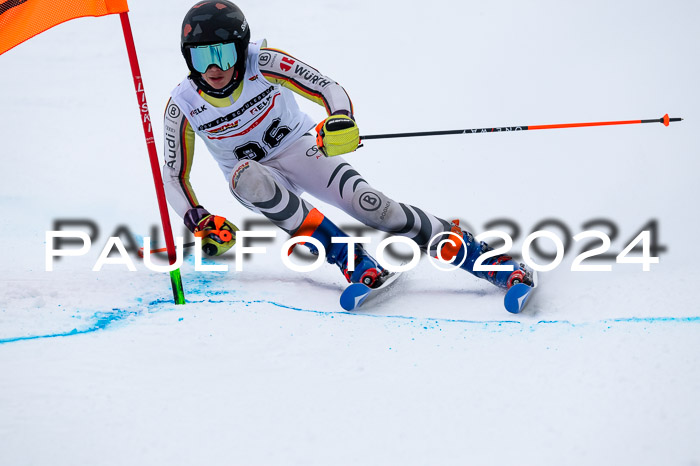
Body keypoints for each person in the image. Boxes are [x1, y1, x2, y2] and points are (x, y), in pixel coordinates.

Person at [162, 0, 533, 291]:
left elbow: (326, 86)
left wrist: (340, 118)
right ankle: (351, 260)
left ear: (240, 49)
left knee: (375, 208)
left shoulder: (265, 63)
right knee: (247, 177)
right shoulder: (183, 105)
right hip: (254, 180)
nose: (214, 67)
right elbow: (173, 174)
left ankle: (484, 260)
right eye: (201, 55)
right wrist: (198, 217)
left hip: (298, 149)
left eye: (223, 53)